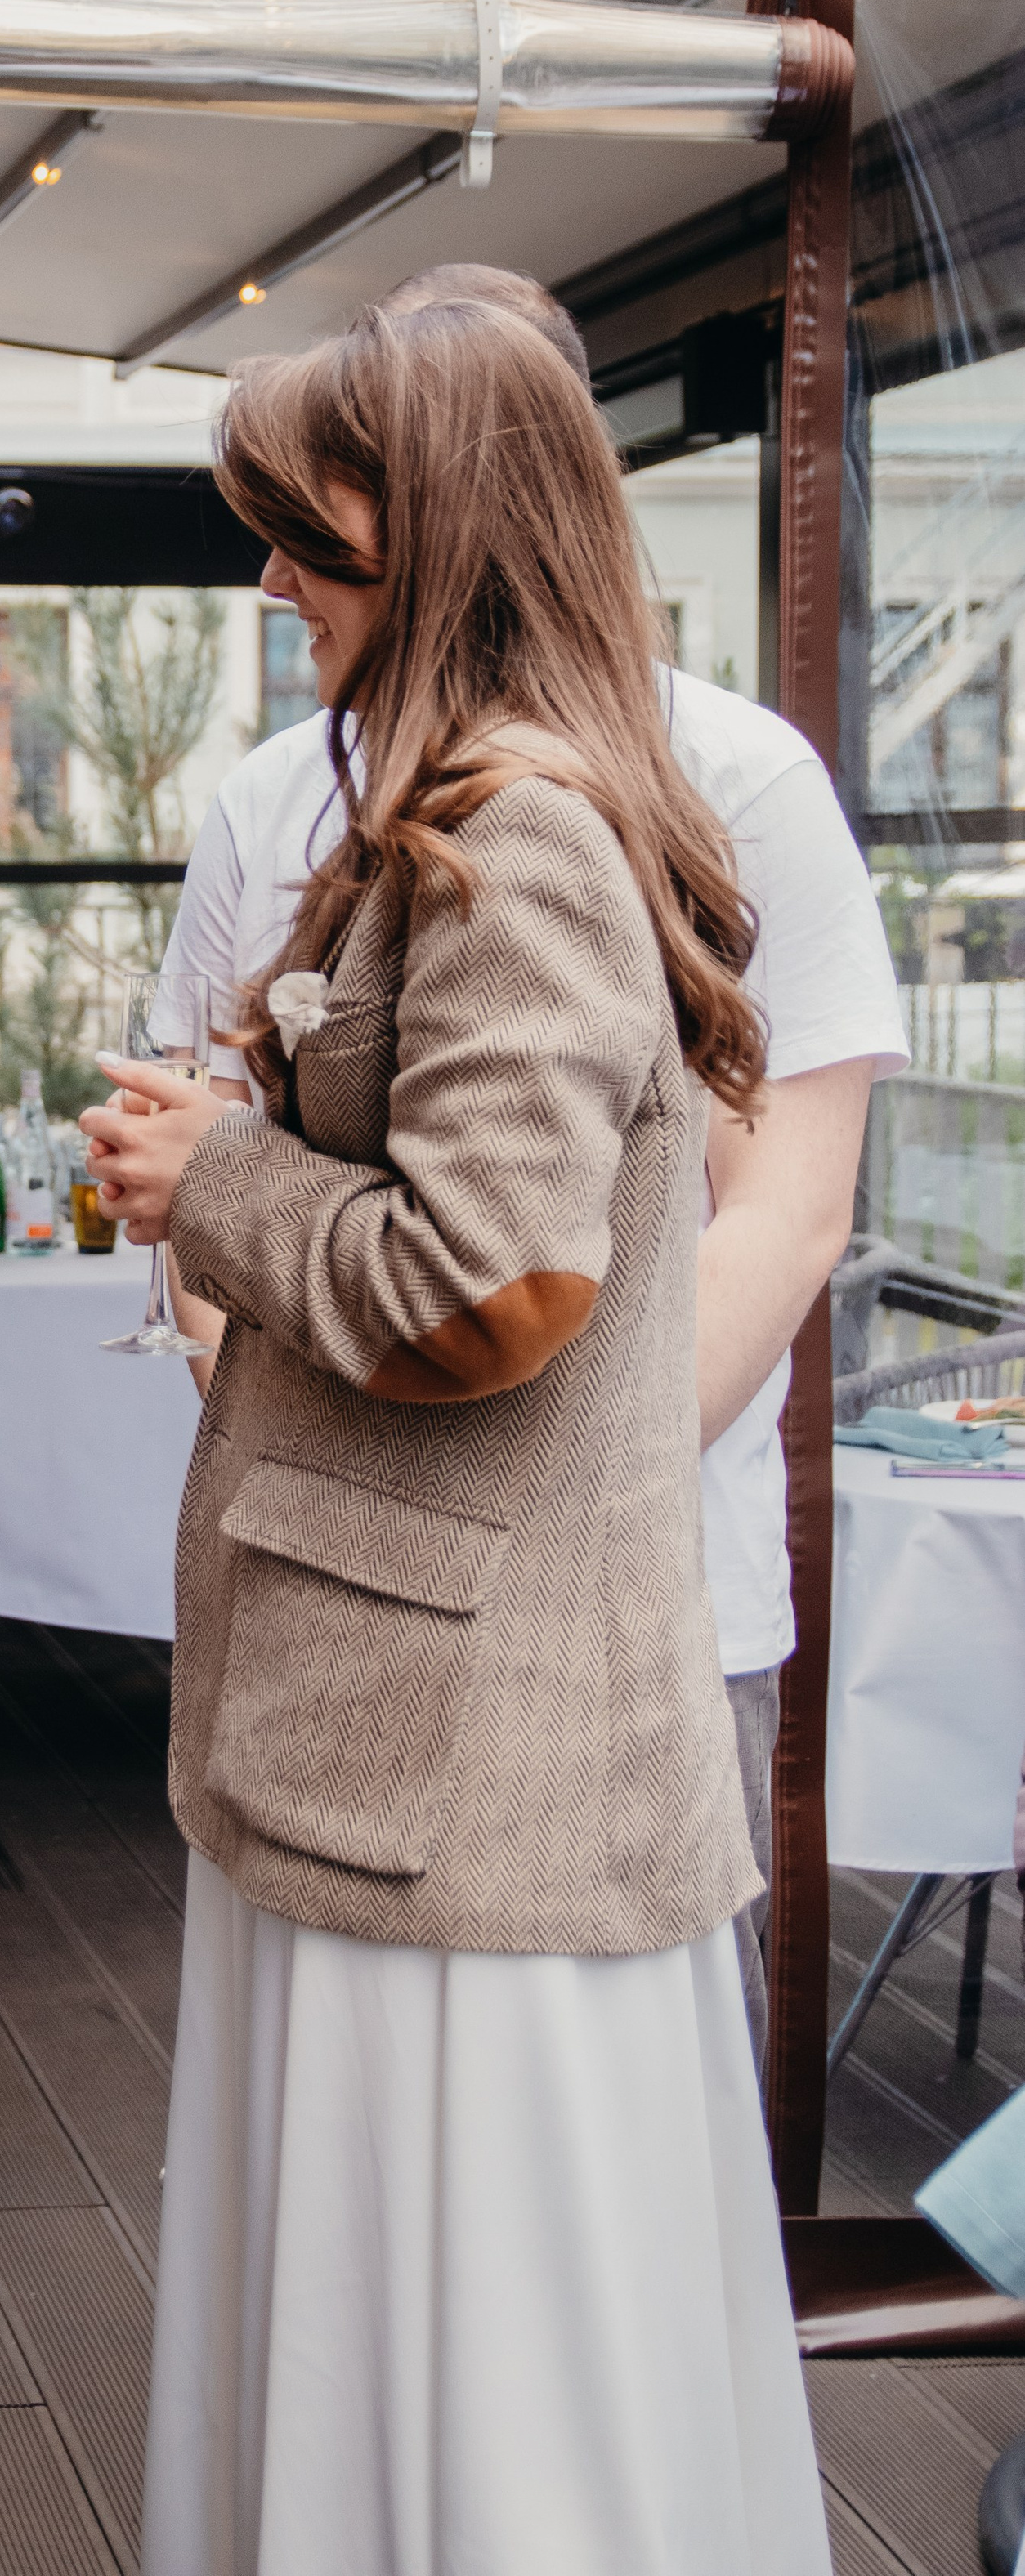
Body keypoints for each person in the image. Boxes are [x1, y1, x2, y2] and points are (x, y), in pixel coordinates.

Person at [87, 297, 829, 2574]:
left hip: (446, 1757)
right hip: (432, 1741)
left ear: (430, 531)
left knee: (470, 2348)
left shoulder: (508, 836)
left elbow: (486, 1288)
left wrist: (201, 1181)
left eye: (298, 535)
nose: (272, 583)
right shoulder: (514, 804)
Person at [163, 259, 906, 2059]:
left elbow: (787, 1204)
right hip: (320, 1588)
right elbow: (204, 1152)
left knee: (562, 2119)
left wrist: (556, 1513)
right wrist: (312, 1458)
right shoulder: (278, 794)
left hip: (611, 1584)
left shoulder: (714, 783)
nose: (273, 579)